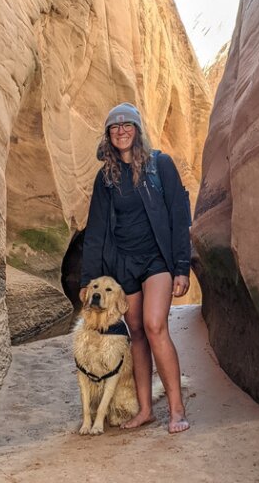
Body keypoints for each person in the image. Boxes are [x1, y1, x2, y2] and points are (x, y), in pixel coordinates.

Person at [80, 102, 193, 433]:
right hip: (123, 265)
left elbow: (178, 216)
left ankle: (177, 410)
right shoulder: (106, 179)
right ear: (108, 136)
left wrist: (182, 266)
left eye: (127, 125)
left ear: (138, 130)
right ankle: (146, 410)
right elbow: (96, 231)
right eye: (114, 128)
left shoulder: (160, 165)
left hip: (156, 259)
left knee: (155, 325)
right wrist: (89, 279)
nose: (121, 131)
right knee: (138, 334)